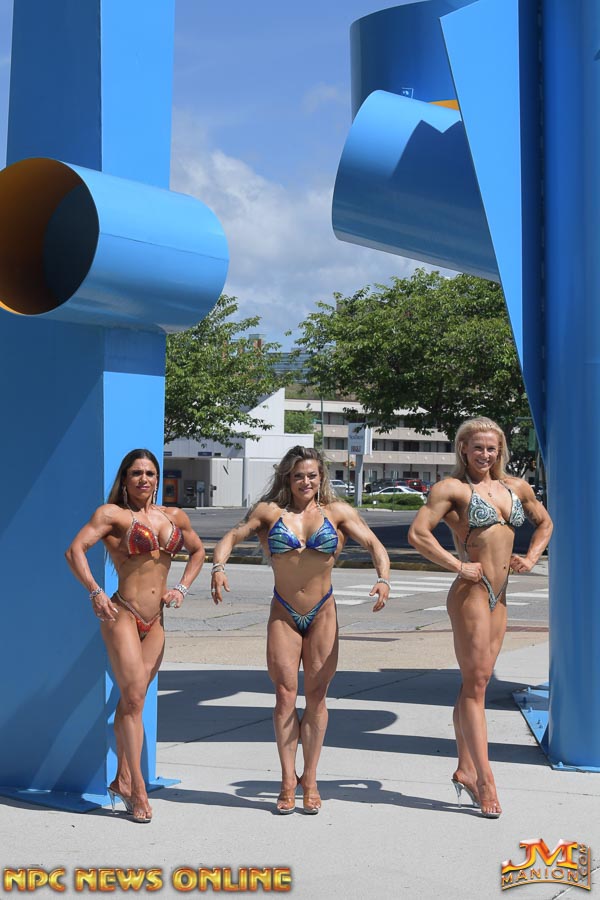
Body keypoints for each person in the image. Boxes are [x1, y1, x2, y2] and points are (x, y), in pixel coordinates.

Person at [211, 446, 391, 815]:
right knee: (284, 695)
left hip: (323, 612)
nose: (305, 482)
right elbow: (231, 537)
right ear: (287, 478)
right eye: (298, 476)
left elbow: (374, 544)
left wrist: (383, 578)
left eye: (311, 475)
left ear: (320, 477)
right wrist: (218, 567)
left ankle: (310, 778)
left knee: (317, 696)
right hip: (284, 612)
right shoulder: (269, 512)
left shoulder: (337, 512)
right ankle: (286, 780)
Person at [408, 418, 552, 818]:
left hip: (500, 594)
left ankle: (465, 769)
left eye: (491, 448)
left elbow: (545, 522)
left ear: (500, 450)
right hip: (471, 592)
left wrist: (532, 556)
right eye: (477, 448)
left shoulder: (516, 487)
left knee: (478, 681)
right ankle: (486, 779)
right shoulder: (452, 489)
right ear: (463, 449)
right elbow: (418, 534)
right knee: (475, 685)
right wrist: (457, 565)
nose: (484, 455)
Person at [65, 449, 205, 823]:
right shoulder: (112, 515)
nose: (144, 478)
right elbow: (74, 550)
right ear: (125, 479)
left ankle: (122, 779)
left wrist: (182, 588)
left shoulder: (174, 516)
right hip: (122, 613)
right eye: (136, 473)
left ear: (158, 479)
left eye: (150, 473)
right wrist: (95, 591)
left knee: (134, 701)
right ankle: (138, 789)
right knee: (134, 695)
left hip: (155, 620)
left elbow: (197, 551)